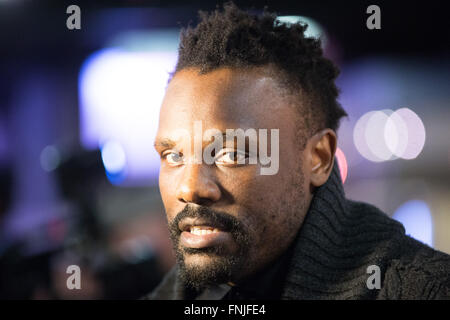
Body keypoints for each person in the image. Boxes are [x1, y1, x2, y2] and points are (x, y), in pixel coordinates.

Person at [144, 3, 450, 300]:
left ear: (318, 159)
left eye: (230, 155)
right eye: (174, 156)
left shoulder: (425, 289)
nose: (190, 188)